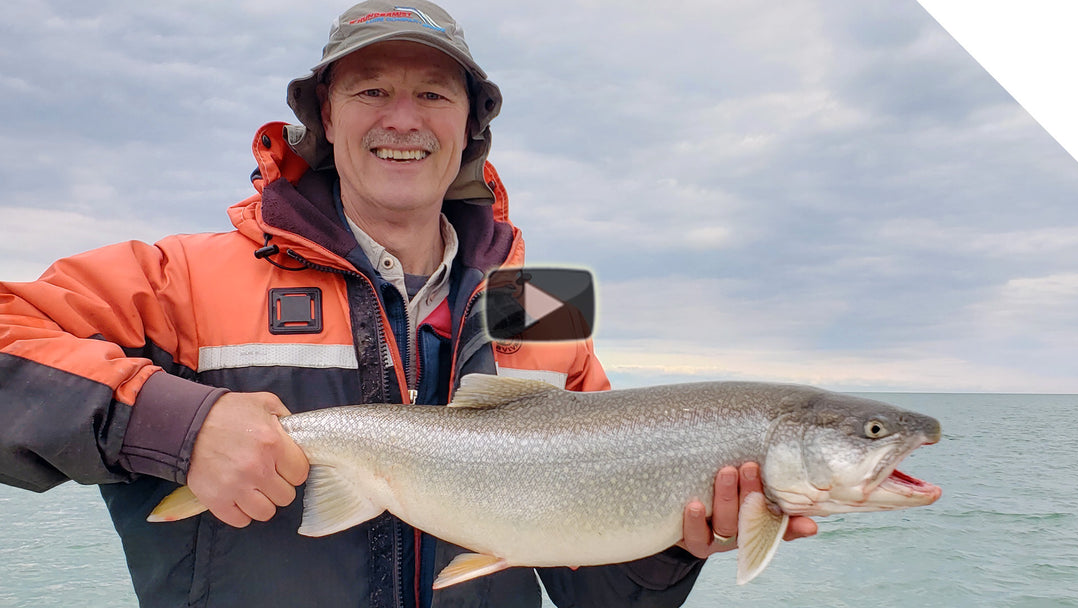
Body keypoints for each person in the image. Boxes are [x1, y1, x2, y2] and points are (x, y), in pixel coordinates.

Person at [0, 1, 815, 606]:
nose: (402, 119)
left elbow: (592, 589)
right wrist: (176, 425)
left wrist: (671, 545)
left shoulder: (545, 305)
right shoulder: (180, 276)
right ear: (325, 114)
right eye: (370, 90)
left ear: (471, 125)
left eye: (433, 94)